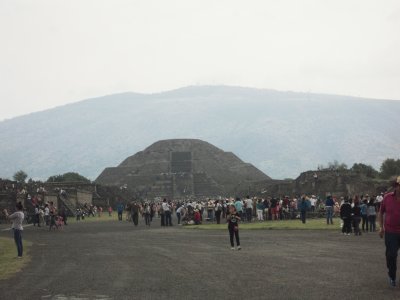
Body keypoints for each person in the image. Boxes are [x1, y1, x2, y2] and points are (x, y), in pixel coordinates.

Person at [379, 176, 400, 287]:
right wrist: (381, 227)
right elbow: (381, 212)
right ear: (396, 186)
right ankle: (392, 276)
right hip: (391, 231)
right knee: (391, 255)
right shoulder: (387, 198)